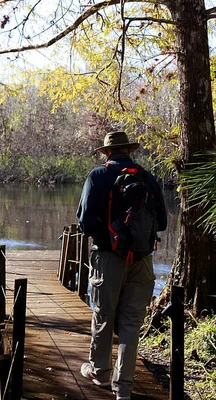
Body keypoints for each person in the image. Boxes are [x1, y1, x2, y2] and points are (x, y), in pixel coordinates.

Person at [76, 131, 167, 400]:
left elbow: (84, 222)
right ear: (129, 150)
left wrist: (109, 236)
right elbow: (161, 222)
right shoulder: (147, 178)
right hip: (142, 260)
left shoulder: (98, 176)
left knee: (104, 316)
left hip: (107, 257)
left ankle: (99, 373)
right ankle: (124, 389)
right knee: (130, 323)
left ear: (106, 152)